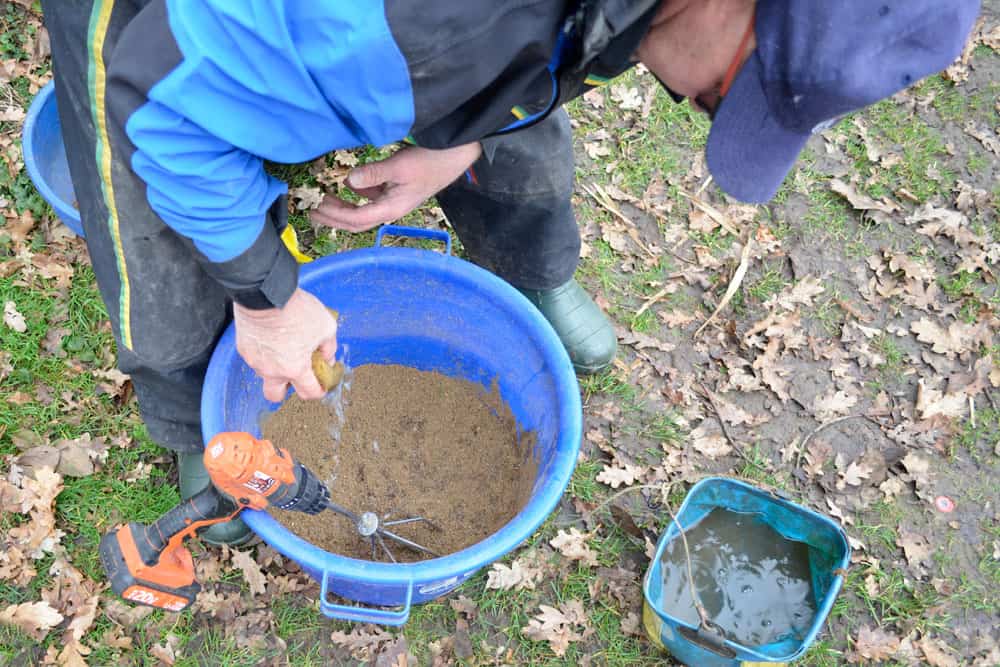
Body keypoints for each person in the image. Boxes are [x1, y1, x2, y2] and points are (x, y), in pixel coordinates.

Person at [40, 0, 979, 545]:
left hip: (413, 40)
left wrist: (463, 141)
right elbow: (160, 110)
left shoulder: (614, 16)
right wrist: (265, 295)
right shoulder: (432, 27)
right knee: (156, 232)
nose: (700, 105)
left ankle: (533, 271)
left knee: (517, 118)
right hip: (153, 45)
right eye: (736, 88)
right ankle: (188, 413)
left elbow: (576, 37)